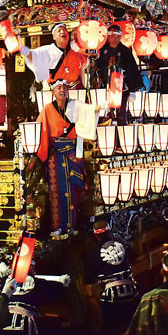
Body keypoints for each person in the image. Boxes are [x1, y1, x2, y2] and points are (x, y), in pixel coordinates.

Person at [35, 79, 100, 233]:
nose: (62, 90)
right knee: (56, 191)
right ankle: (57, 226)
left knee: (73, 190)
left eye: (64, 87)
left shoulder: (75, 105)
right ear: (53, 91)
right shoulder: (47, 110)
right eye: (58, 88)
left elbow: (90, 112)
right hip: (55, 156)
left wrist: (99, 107)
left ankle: (72, 225)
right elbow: (40, 130)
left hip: (72, 152)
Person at [84, 220, 137, 335]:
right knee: (134, 324)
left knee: (107, 327)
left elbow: (89, 280)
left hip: (110, 294)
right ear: (109, 231)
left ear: (95, 235)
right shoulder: (122, 243)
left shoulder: (92, 252)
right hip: (131, 289)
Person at [96, 23, 143, 122]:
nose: (115, 38)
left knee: (121, 114)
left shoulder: (125, 51)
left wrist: (132, 90)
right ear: (108, 36)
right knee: (102, 113)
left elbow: (132, 69)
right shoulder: (101, 49)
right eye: (112, 35)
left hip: (121, 87)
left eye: (117, 36)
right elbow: (96, 65)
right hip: (104, 86)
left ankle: (121, 135)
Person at [21, 23, 88, 88]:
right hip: (55, 90)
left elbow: (86, 62)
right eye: (59, 30)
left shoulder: (75, 49)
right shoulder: (48, 50)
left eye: (65, 30)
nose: (62, 32)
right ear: (54, 36)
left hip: (75, 90)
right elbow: (32, 56)